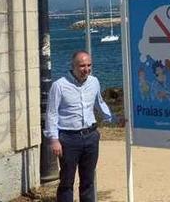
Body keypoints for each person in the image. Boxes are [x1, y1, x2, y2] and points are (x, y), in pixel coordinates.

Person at [45, 50, 120, 202]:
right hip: (68, 139)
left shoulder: (94, 82)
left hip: (91, 137)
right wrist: (54, 139)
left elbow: (99, 103)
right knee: (67, 181)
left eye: (89, 65)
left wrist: (113, 118)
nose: (86, 69)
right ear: (73, 66)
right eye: (82, 66)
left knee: (88, 180)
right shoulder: (59, 86)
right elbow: (51, 114)